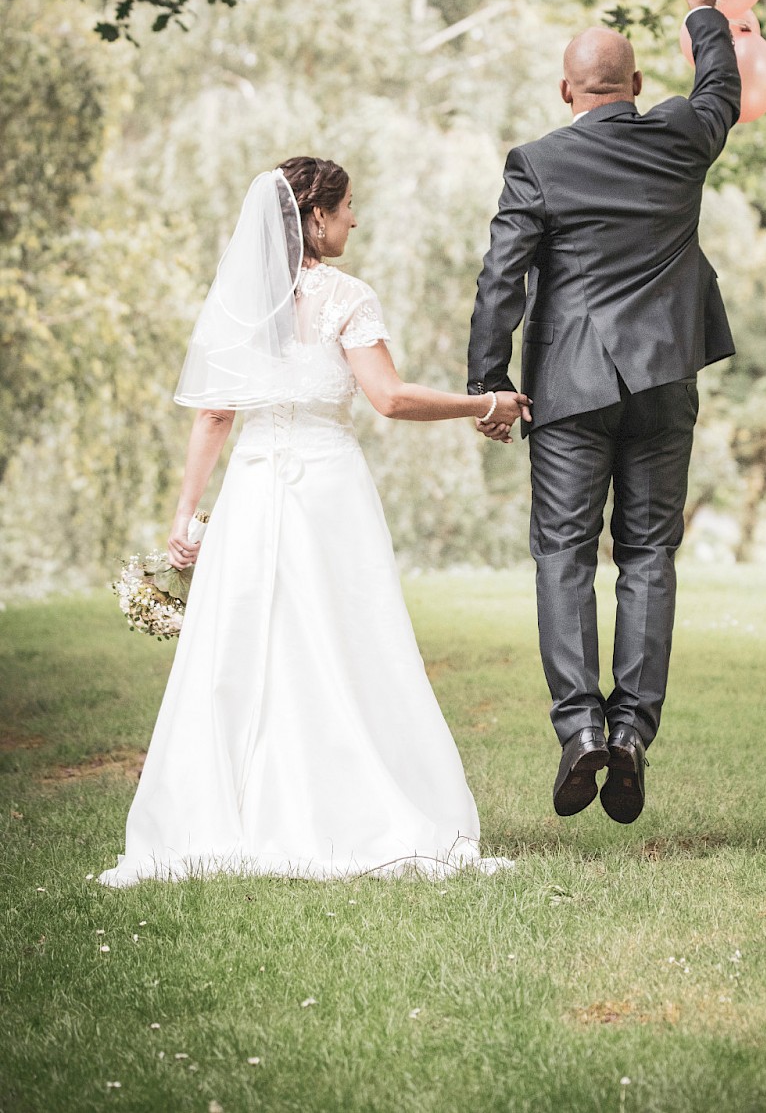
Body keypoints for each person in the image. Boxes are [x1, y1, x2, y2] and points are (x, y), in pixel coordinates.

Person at [99, 156, 527, 886]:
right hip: (329, 494)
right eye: (348, 207)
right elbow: (388, 398)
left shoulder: (241, 302)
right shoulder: (344, 296)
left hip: (253, 492)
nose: (355, 219)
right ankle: (347, 804)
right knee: (348, 642)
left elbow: (213, 413)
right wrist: (487, 403)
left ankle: (228, 812)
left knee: (243, 650)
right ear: (317, 218)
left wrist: (185, 513)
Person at [467, 0, 741, 823]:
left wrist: (489, 382)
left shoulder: (537, 163)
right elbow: (721, 91)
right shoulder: (679, 137)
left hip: (570, 389)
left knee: (564, 554)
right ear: (636, 85)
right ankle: (630, 732)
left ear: (564, 90)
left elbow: (500, 281)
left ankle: (581, 727)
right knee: (650, 555)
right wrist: (704, 9)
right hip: (664, 384)